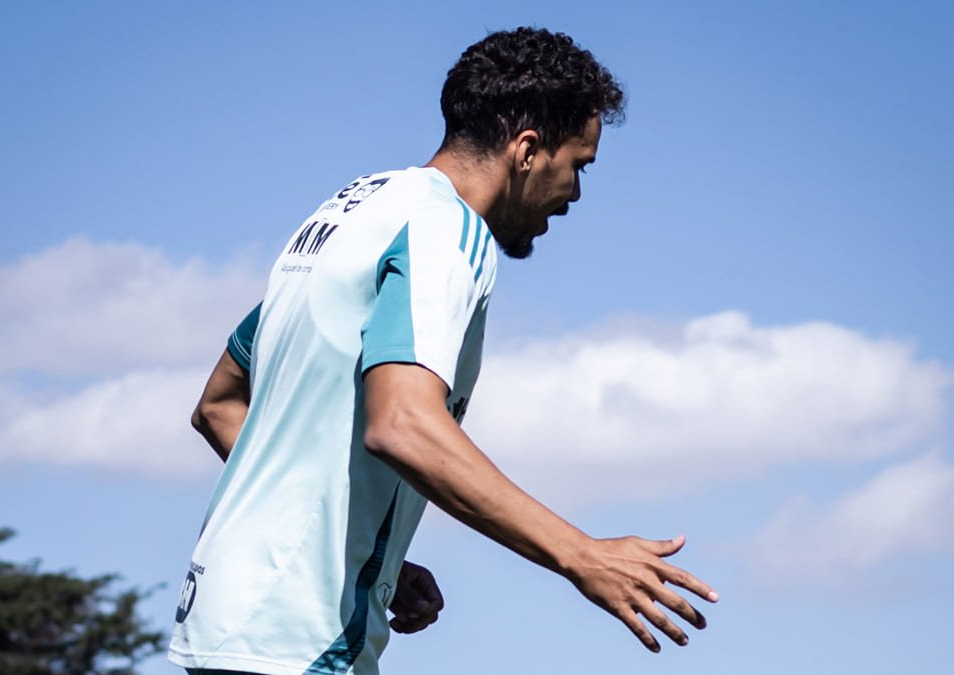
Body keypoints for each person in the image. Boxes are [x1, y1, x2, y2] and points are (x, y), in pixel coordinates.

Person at [168, 27, 718, 675]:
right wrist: (580, 553)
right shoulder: (447, 230)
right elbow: (400, 422)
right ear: (527, 150)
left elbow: (219, 403)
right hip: (302, 640)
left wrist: (364, 551)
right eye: (580, 165)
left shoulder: (352, 213)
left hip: (228, 621)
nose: (574, 194)